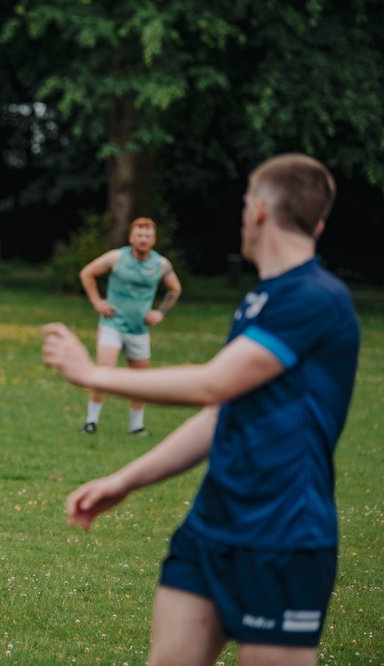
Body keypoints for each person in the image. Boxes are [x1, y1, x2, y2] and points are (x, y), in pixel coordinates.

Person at [42, 153, 358, 666]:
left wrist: (91, 373)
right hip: (210, 527)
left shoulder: (317, 298)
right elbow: (222, 415)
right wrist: (125, 480)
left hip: (284, 537)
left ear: (257, 211)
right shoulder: (263, 299)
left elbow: (214, 384)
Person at [77, 217, 182, 435]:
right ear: (131, 238)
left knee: (140, 380)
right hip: (112, 324)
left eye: (147, 235)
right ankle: (91, 422)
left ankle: (136, 426)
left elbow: (174, 289)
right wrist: (97, 302)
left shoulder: (161, 264)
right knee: (105, 371)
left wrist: (160, 312)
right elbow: (87, 273)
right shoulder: (116, 257)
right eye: (139, 235)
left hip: (139, 330)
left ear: (154, 240)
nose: (143, 239)